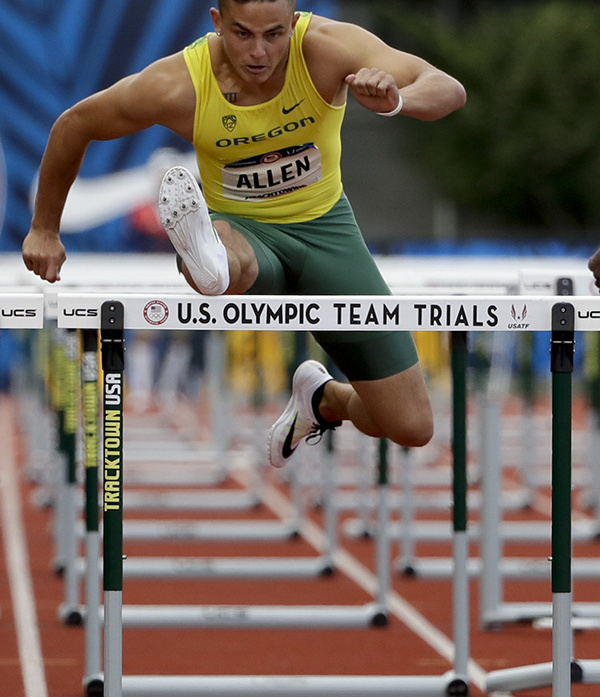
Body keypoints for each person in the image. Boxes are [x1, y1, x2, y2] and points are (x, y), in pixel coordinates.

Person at [22, 0, 467, 467]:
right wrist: (44, 228)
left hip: (328, 235)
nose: (258, 52)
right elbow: (75, 124)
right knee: (229, 261)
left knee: (412, 426)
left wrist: (398, 100)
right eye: (242, 34)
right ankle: (206, 259)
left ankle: (323, 399)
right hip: (246, 234)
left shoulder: (329, 48)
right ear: (217, 22)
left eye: (273, 35)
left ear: (293, 24)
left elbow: (447, 88)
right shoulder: (180, 83)